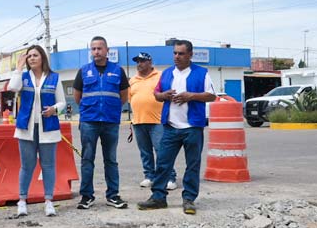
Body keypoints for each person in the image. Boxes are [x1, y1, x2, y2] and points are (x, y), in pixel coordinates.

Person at [138, 40, 216, 215]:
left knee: (192, 165)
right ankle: (158, 197)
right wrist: (163, 95)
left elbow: (211, 95)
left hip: (192, 127)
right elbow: (156, 94)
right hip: (170, 127)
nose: (177, 57)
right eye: (175, 53)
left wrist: (192, 96)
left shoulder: (201, 73)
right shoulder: (166, 74)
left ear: (190, 54)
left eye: (181, 53)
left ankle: (189, 199)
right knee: (163, 164)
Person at [73, 36, 129, 210]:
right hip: (89, 121)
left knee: (111, 160)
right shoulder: (84, 71)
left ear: (107, 50)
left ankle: (113, 195)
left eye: (99, 48)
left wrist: (110, 109)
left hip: (110, 122)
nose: (96, 51)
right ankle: (87, 196)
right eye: (93, 48)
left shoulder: (118, 71)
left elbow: (124, 96)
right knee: (87, 159)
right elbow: (77, 96)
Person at [9, 45, 66, 217]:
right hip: (26, 128)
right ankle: (22, 201)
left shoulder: (54, 78)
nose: (32, 58)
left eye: (35, 55)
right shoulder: (24, 77)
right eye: (29, 56)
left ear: (42, 58)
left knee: (48, 166)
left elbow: (63, 103)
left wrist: (54, 110)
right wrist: (18, 68)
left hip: (48, 128)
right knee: (27, 166)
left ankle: (48, 201)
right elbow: (12, 87)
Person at [128, 52, 176, 191]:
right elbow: (131, 98)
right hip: (138, 121)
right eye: (137, 62)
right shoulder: (133, 80)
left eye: (142, 61)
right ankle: (150, 176)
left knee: (162, 151)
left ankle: (170, 177)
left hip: (157, 121)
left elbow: (167, 93)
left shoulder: (160, 76)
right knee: (145, 152)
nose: (139, 64)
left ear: (150, 62)